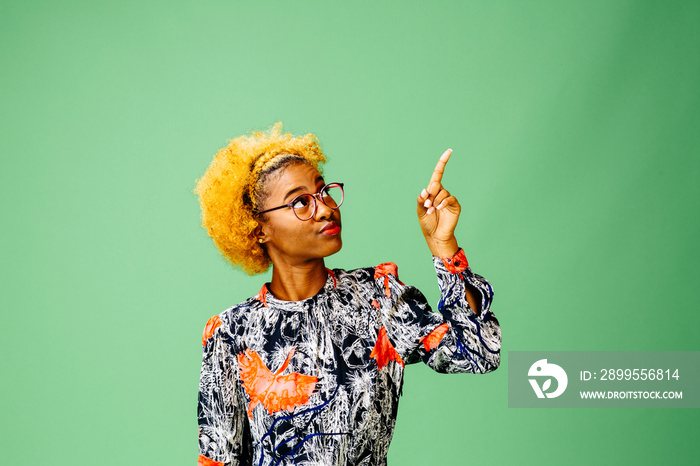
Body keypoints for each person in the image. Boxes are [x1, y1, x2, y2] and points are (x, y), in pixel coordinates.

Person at [193, 123, 501, 466]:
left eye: (324, 192)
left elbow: (477, 354)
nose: (325, 208)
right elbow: (220, 458)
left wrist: (444, 246)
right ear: (259, 228)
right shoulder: (232, 333)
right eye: (300, 202)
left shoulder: (379, 297)